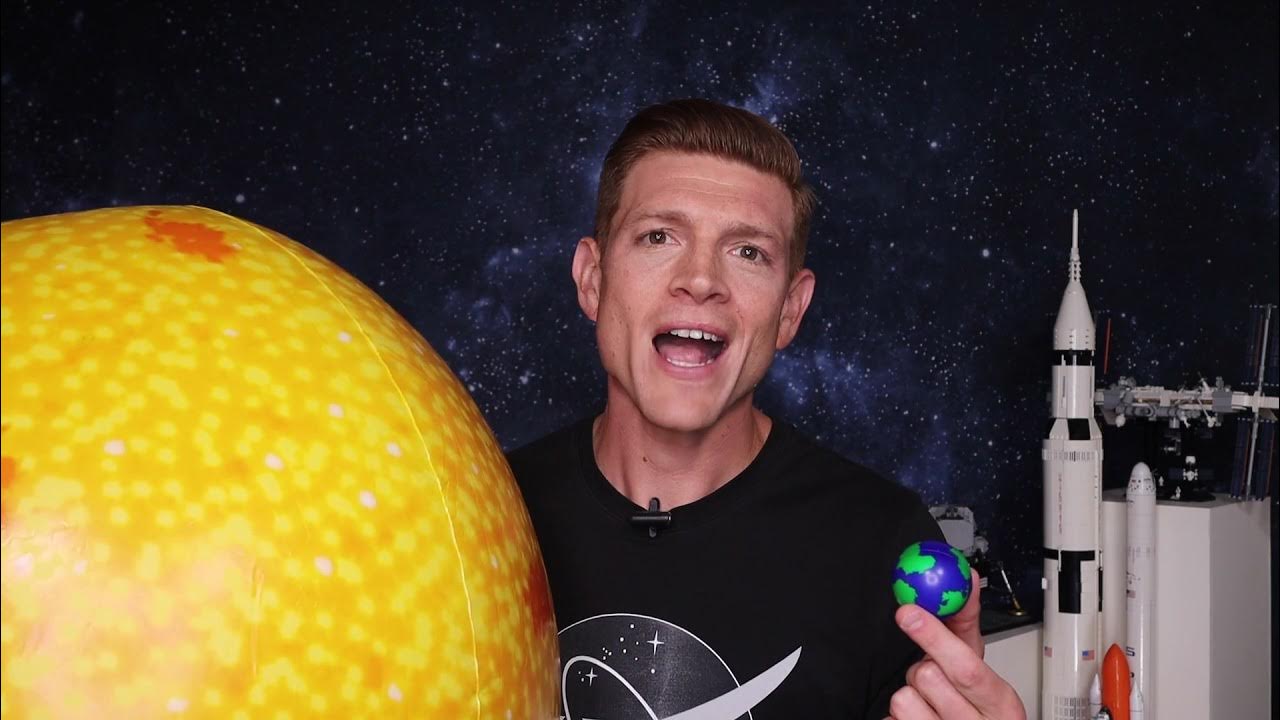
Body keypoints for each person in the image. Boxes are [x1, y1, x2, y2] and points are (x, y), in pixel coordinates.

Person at [508, 98, 1026, 719]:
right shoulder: (487, 514)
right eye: (658, 236)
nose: (701, 279)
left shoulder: (879, 541)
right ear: (593, 279)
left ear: (789, 310)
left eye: (748, 252)